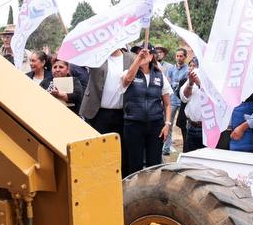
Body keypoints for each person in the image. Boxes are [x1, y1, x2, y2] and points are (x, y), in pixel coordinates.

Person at [120, 46, 171, 177]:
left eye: (145, 53)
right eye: (138, 53)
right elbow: (127, 80)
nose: (142, 55)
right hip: (133, 124)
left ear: (152, 56)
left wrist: (167, 124)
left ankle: (151, 189)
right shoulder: (129, 72)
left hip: (155, 125)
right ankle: (134, 189)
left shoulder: (159, 75)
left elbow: (167, 104)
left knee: (154, 164)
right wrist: (138, 60)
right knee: (135, 164)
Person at [79, 47, 135, 137]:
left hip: (122, 112)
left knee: (120, 143)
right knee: (98, 143)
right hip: (97, 111)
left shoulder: (131, 58)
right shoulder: (96, 56)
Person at [162, 47, 189, 156]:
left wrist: (175, 84)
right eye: (177, 56)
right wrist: (176, 84)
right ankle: (166, 148)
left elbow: (185, 85)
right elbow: (168, 83)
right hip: (172, 100)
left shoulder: (187, 70)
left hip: (183, 102)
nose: (179, 58)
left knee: (184, 126)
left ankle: (186, 150)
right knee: (168, 124)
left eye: (181, 56)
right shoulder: (171, 69)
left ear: (185, 57)